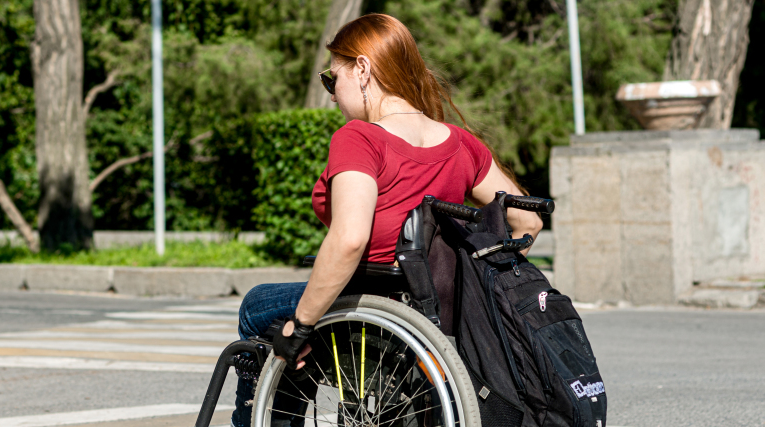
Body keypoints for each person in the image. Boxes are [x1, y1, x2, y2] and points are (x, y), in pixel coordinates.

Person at [231, 13, 543, 427]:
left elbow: (349, 240)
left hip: (374, 301)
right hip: (433, 307)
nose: (331, 93)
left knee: (259, 308)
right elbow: (528, 222)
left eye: (332, 78)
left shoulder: (360, 138)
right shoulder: (460, 142)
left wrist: (302, 324)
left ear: (362, 69)